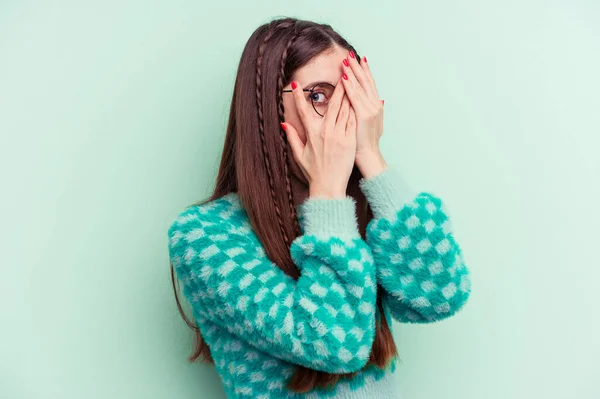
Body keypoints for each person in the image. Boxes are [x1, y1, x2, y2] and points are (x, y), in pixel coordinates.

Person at [167, 16, 471, 398]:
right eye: (318, 96)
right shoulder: (206, 235)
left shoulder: (360, 207)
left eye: (351, 97)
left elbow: (441, 295)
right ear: (267, 109)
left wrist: (371, 156)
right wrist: (327, 191)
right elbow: (335, 346)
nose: (342, 120)